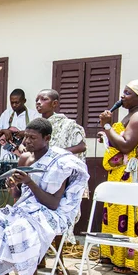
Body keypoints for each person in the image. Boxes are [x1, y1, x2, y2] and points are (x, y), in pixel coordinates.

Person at [0, 118, 88, 275]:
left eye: (32, 138)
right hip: (27, 209)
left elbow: (52, 204)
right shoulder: (25, 158)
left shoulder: (60, 163)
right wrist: (14, 188)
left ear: (47, 138)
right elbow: (19, 199)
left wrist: (28, 182)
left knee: (19, 227)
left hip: (52, 213)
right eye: (25, 136)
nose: (26, 142)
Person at [98, 79, 138, 275]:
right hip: (121, 172)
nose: (122, 96)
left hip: (133, 173)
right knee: (118, 213)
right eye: (123, 92)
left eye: (128, 93)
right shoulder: (132, 114)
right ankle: (116, 256)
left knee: (131, 214)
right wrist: (107, 135)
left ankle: (132, 262)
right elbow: (119, 140)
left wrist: (107, 127)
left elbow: (125, 145)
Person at [35, 88, 87, 248]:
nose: (38, 102)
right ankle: (40, 257)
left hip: (61, 177)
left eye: (43, 99)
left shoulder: (69, 125)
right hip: (42, 176)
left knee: (59, 214)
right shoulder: (37, 126)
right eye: (37, 99)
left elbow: (81, 146)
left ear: (55, 103)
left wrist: (56, 156)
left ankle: (60, 259)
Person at [0, 89, 39, 161]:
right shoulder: (6, 113)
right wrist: (4, 131)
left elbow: (38, 133)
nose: (14, 105)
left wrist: (24, 133)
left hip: (25, 154)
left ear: (24, 101)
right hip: (6, 155)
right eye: (12, 103)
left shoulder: (33, 115)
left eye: (17, 103)